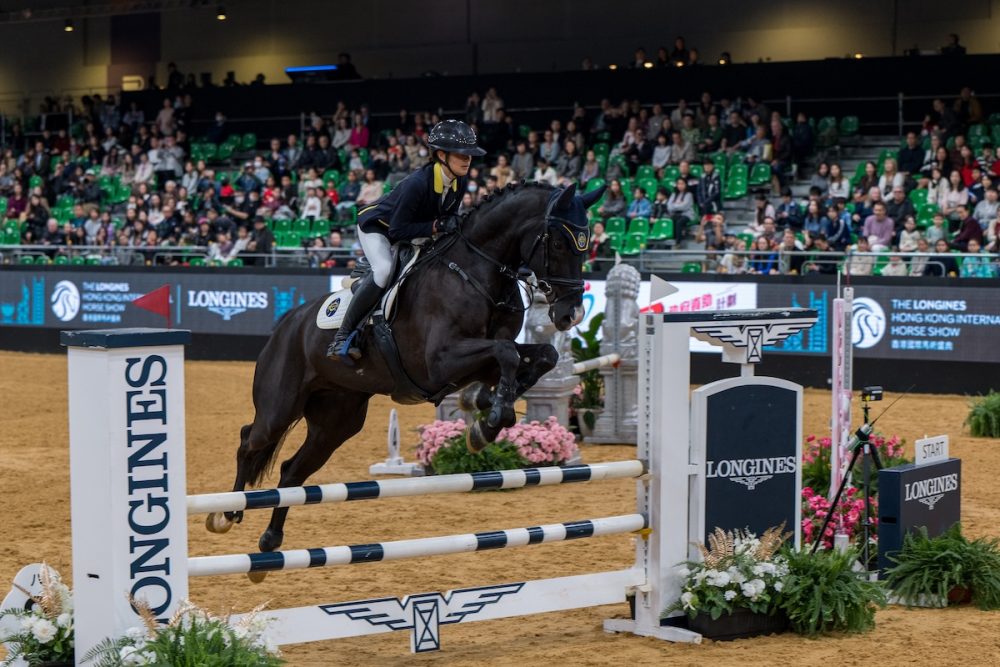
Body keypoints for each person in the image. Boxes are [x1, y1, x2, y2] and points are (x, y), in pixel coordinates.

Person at [327, 120, 484, 362]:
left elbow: (449, 215)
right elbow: (399, 230)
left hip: (411, 229)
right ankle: (342, 337)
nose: (468, 160)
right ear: (442, 155)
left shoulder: (459, 179)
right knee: (384, 270)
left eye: (470, 155)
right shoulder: (417, 184)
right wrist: (435, 226)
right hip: (379, 227)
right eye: (462, 154)